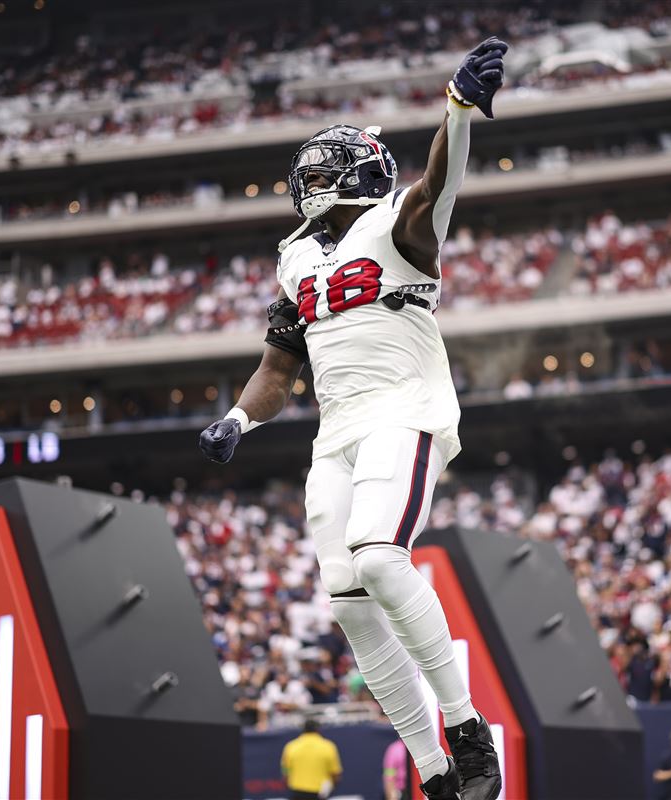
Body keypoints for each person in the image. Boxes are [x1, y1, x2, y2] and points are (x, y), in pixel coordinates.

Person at [200, 35, 509, 800]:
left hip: (401, 411)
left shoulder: (397, 227)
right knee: (345, 594)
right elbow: (279, 367)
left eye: (321, 168)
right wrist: (239, 420)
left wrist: (459, 112)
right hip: (334, 433)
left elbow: (440, 182)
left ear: (361, 172)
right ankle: (434, 771)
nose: (307, 181)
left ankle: (467, 731)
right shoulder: (297, 258)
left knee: (378, 557)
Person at [281, 718, 342, 800]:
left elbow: (285, 771)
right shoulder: (328, 746)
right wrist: (330, 787)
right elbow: (335, 773)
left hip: (297, 791)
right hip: (319, 793)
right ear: (318, 730)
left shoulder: (291, 746)